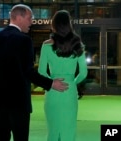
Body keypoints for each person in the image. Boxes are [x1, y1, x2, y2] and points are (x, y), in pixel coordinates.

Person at [0, 4, 68, 141]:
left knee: (1, 135)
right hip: (18, 100)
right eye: (29, 18)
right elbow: (28, 71)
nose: (31, 22)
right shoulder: (24, 40)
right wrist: (51, 83)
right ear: (19, 17)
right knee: (20, 137)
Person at [38, 10, 88, 141]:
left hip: (52, 91)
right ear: (69, 24)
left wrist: (52, 82)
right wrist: (72, 82)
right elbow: (83, 73)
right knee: (69, 131)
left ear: (54, 25)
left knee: (53, 131)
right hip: (70, 91)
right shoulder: (79, 45)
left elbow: (41, 72)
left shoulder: (46, 45)